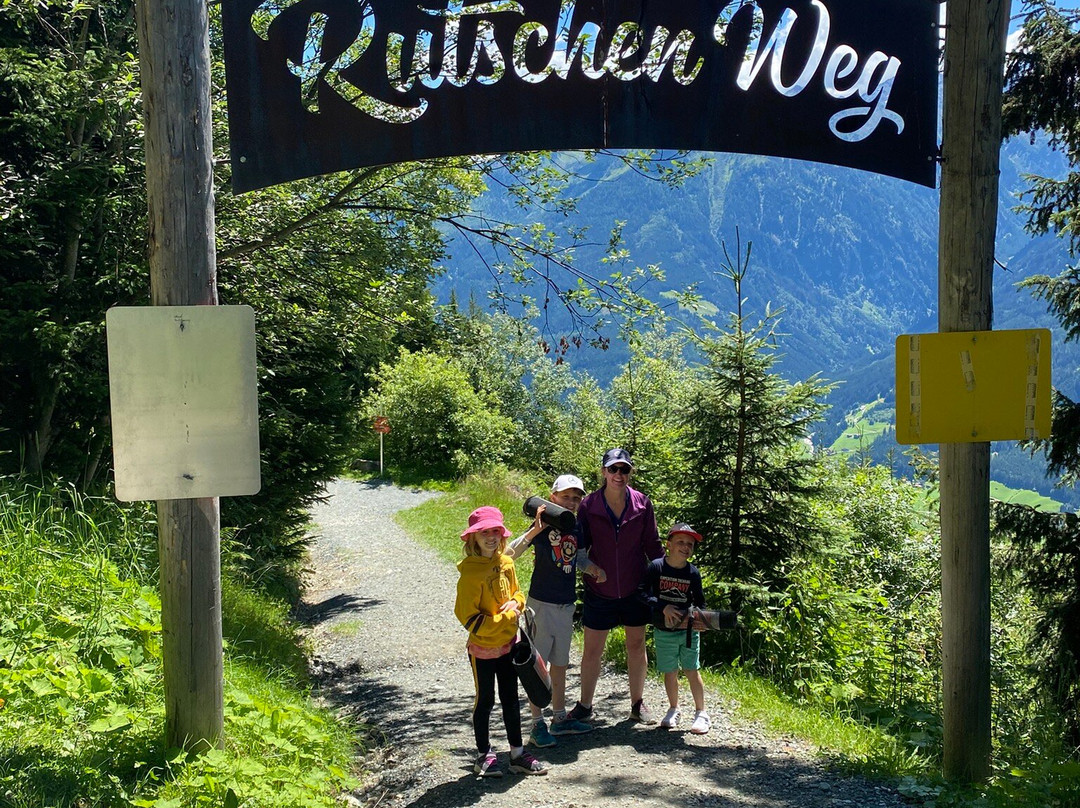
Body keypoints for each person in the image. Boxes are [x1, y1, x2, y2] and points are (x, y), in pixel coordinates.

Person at [568, 448, 664, 726]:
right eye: (613, 469)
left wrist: (665, 581)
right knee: (592, 651)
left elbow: (653, 547)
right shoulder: (588, 506)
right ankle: (585, 706)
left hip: (636, 589)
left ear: (630, 472)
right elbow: (579, 549)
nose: (619, 475)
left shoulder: (642, 504)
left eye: (624, 469)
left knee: (636, 646)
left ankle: (637, 703)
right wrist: (590, 569)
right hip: (599, 591)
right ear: (603, 472)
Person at [506, 474, 604, 747]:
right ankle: (537, 723)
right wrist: (535, 528)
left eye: (576, 497)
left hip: (566, 604)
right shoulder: (543, 524)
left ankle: (559, 718)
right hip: (542, 603)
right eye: (565, 497)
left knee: (560, 663)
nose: (571, 502)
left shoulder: (577, 527)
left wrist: (593, 568)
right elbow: (511, 554)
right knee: (538, 666)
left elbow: (580, 557)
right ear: (553, 498)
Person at [454, 506, 548, 777]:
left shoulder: (506, 563)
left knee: (510, 698)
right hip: (482, 649)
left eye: (496, 531)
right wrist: (501, 620)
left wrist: (515, 605)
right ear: (473, 538)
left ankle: (517, 754)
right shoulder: (469, 574)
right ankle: (483, 754)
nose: (491, 537)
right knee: (485, 700)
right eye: (485, 532)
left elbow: (518, 593)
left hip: (508, 643)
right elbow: (466, 616)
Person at [639, 523, 712, 734]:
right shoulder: (656, 567)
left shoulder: (693, 573)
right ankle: (673, 709)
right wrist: (662, 607)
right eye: (680, 542)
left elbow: (700, 602)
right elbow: (641, 593)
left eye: (690, 544)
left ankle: (701, 713)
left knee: (691, 669)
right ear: (668, 544)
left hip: (688, 631)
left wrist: (702, 620)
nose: (686, 546)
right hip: (663, 630)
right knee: (669, 671)